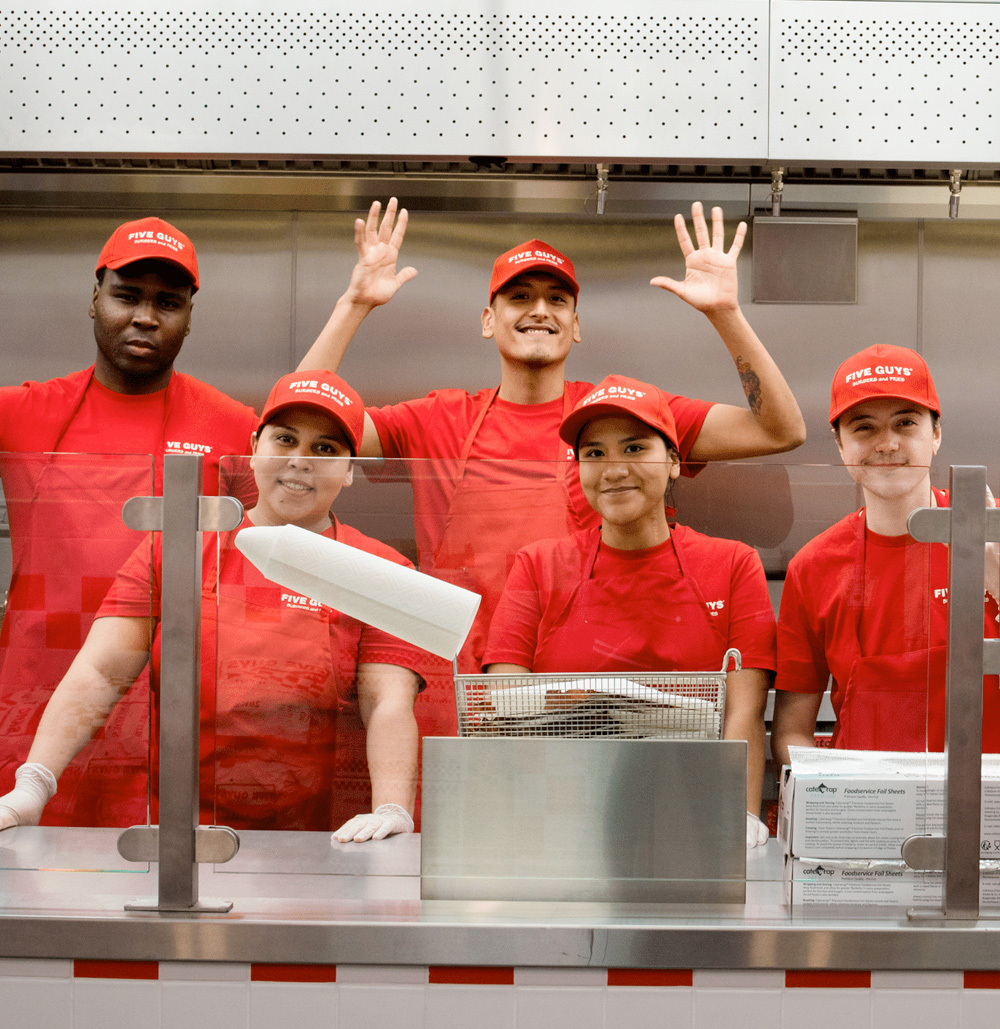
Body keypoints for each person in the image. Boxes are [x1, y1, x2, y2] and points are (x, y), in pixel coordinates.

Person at [310, 200, 804, 735]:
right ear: (488, 320)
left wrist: (725, 313)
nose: (540, 310)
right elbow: (304, 419)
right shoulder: (437, 418)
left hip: (581, 696)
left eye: (557, 299)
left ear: (575, 324)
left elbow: (779, 430)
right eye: (520, 297)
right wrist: (354, 304)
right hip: (455, 691)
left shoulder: (619, 415)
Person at [0, 216, 344, 826]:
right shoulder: (21, 411)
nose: (145, 317)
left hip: (175, 722)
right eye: (127, 296)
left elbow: (295, 455)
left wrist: (353, 305)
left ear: (189, 316)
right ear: (94, 297)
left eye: (168, 303)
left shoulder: (229, 424)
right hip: (34, 711)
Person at [0, 372, 425, 841]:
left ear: (349, 470)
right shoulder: (178, 548)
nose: (300, 461)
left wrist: (392, 808)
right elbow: (100, 672)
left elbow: (387, 703)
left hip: (314, 836)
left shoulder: (380, 569)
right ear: (254, 448)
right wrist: (33, 784)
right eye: (285, 439)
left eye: (325, 449)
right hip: (179, 833)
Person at [482, 375, 777, 847]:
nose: (614, 470)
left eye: (635, 448)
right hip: (558, 812)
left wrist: (736, 812)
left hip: (694, 811)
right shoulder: (538, 565)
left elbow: (745, 711)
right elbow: (506, 704)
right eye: (594, 453)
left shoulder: (732, 564)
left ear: (674, 462)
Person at [770, 344, 1000, 761]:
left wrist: (994, 574)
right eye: (864, 428)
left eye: (905, 423)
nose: (887, 443)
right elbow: (791, 731)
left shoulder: (992, 531)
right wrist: (832, 793)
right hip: (865, 798)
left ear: (936, 435)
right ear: (840, 446)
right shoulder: (813, 568)